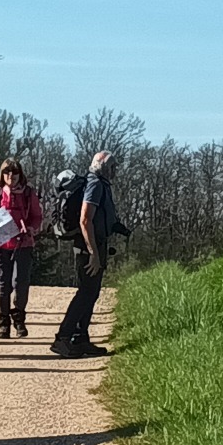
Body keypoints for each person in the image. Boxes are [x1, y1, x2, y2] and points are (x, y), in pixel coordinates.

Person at [54, 151, 129, 358]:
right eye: (112, 167)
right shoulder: (95, 184)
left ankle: (81, 339)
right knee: (86, 292)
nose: (115, 171)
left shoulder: (99, 184)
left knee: (91, 292)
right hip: (89, 247)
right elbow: (85, 219)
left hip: (94, 245)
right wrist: (93, 253)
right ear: (103, 167)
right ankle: (63, 338)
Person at [0, 158, 43, 339]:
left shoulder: (28, 193)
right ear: (2, 174)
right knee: (3, 285)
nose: (11, 176)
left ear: (20, 174)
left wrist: (31, 228)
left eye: (15, 172)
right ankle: (3, 323)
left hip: (23, 245)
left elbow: (37, 216)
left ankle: (19, 319)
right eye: (7, 172)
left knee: (21, 283)